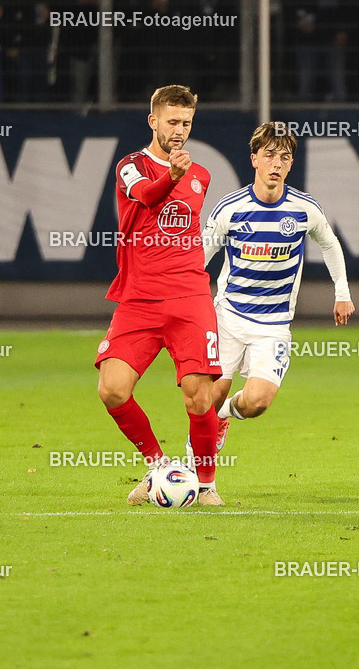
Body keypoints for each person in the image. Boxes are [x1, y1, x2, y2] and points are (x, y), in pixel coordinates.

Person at [191, 121, 354, 472]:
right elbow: (197, 260)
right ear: (254, 160)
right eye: (269, 155)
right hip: (228, 318)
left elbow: (330, 243)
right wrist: (186, 303)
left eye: (284, 157)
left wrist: (342, 293)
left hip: (274, 325)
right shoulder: (230, 209)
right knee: (210, 394)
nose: (276, 163)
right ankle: (194, 474)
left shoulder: (304, 208)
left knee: (257, 402)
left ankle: (223, 416)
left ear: (291, 164)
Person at [95, 85, 225, 507]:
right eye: (172, 121)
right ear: (153, 121)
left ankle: (205, 484)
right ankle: (157, 467)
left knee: (199, 394)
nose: (179, 130)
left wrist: (180, 174)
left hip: (189, 296)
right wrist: (170, 174)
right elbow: (148, 200)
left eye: (186, 123)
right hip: (139, 298)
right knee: (112, 389)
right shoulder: (131, 166)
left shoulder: (202, 175)